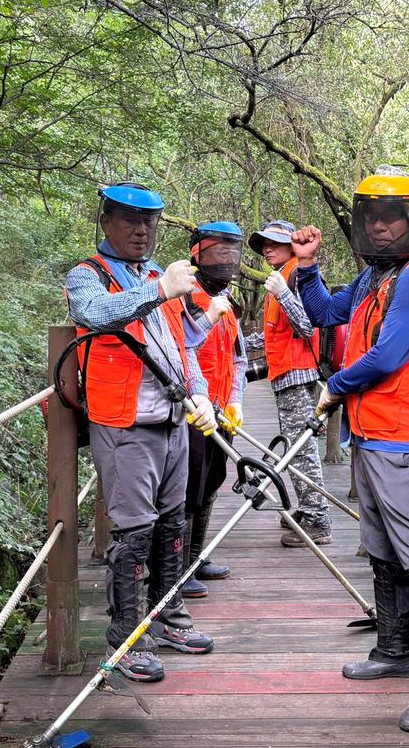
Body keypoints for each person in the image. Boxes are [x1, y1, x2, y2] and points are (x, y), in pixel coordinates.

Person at [290, 166, 409, 733]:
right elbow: (326, 313)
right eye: (372, 218)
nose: (381, 227)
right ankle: (394, 648)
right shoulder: (375, 277)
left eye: (393, 217)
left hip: (405, 437)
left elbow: (387, 357)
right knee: (382, 547)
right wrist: (307, 265)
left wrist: (333, 386)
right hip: (369, 433)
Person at [64, 182, 223, 684]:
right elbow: (93, 315)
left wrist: (199, 394)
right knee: (134, 531)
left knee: (173, 523)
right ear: (106, 222)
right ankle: (126, 640)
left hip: (174, 421)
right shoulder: (87, 275)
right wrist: (159, 290)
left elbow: (184, 346)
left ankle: (168, 619)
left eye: (149, 222)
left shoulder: (161, 274)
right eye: (130, 220)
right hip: (123, 423)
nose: (140, 230)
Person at [243, 220, 332, 547]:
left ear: (292, 245)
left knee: (302, 450)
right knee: (297, 449)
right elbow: (274, 331)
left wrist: (282, 293)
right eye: (263, 244)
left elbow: (308, 325)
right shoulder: (283, 274)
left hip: (298, 373)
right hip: (284, 373)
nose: (267, 249)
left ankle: (318, 519)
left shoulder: (295, 275)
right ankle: (308, 510)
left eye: (273, 243)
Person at [180, 222, 248, 599]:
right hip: (191, 411)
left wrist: (236, 400)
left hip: (222, 412)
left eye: (232, 253)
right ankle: (178, 568)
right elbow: (181, 348)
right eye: (218, 252)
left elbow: (237, 360)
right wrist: (208, 316)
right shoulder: (184, 297)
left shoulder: (229, 305)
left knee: (211, 484)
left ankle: (197, 556)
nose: (227, 261)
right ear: (197, 253)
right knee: (188, 488)